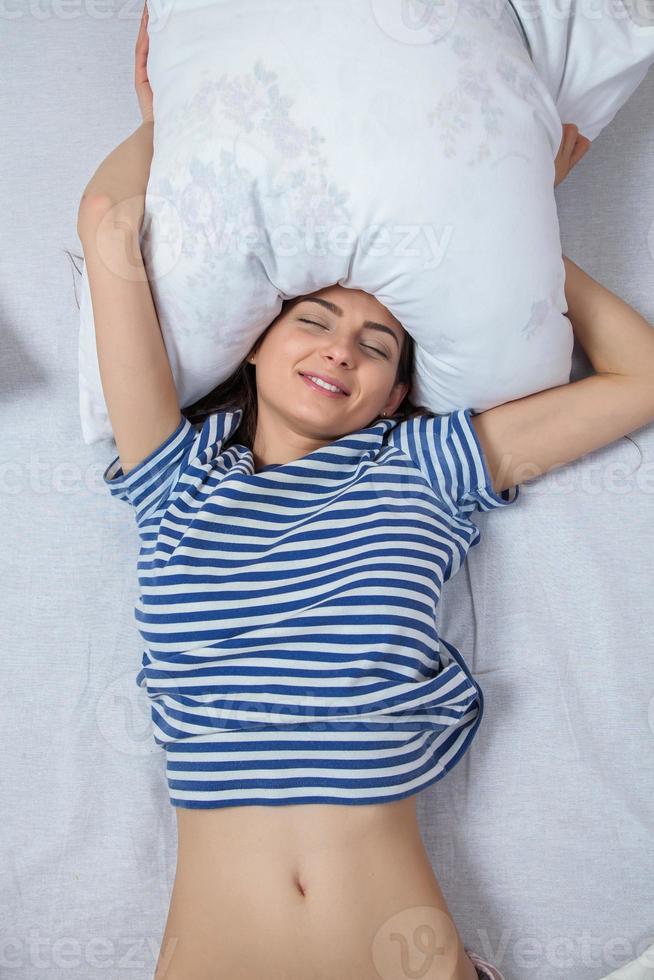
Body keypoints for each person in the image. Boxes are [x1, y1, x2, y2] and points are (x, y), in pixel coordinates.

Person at [76, 6, 654, 979]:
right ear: (258, 340)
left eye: (377, 344)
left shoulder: (425, 466)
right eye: (313, 319)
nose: (340, 348)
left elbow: (639, 379)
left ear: (396, 390)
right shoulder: (172, 476)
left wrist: (514, 220)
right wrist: (165, 119)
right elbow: (109, 229)